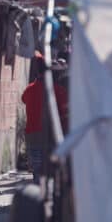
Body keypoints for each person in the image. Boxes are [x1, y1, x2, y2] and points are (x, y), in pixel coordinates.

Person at [22, 52, 68, 184]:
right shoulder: (58, 91)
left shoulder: (29, 89)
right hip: (51, 135)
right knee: (52, 170)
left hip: (33, 135)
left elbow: (24, 99)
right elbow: (65, 113)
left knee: (37, 170)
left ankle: (38, 197)